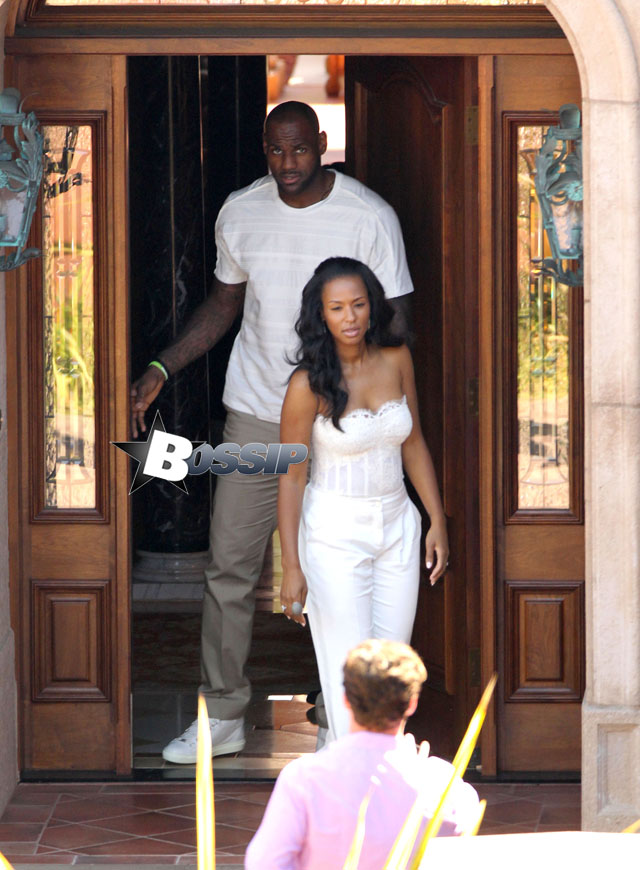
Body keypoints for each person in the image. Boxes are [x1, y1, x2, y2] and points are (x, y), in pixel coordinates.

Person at [130, 101, 416, 763]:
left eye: (300, 149)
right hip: (258, 416)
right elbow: (223, 305)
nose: (288, 164)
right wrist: (162, 367)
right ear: (265, 148)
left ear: (322, 142)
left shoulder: (369, 216)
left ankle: (340, 720)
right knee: (229, 566)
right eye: (276, 151)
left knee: (338, 570)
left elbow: (398, 323)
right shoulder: (240, 211)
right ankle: (225, 715)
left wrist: (366, 404)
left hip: (341, 425)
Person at [278, 257, 448, 741]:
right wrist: (291, 565)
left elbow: (413, 443)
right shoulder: (307, 384)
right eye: (337, 308)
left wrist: (436, 519)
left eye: (358, 304)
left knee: (392, 670)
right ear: (321, 315)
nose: (350, 317)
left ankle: (373, 771)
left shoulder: (396, 359)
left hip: (397, 525)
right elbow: (291, 478)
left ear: (372, 306)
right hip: (333, 532)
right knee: (348, 669)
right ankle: (346, 774)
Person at [245, 639, 480, 870]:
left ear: (346, 700)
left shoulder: (302, 778)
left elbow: (264, 863)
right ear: (412, 703)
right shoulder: (442, 783)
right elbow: (463, 846)